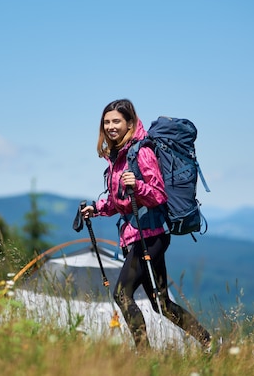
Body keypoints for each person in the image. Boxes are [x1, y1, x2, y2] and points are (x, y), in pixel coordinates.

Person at [80, 98, 212, 350]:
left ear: (130, 122)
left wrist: (137, 185)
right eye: (106, 122)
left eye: (116, 121)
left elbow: (158, 194)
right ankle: (208, 342)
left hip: (150, 236)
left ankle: (144, 355)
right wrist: (95, 209)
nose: (110, 126)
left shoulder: (142, 151)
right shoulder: (117, 156)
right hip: (138, 236)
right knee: (160, 302)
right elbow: (121, 202)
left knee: (122, 294)